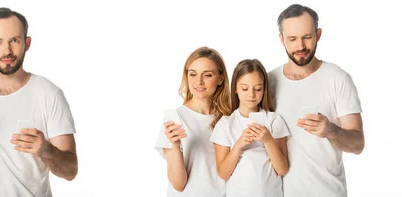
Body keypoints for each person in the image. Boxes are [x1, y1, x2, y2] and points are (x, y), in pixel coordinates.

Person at [0, 7, 78, 197]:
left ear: (27, 43)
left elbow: (71, 170)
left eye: (14, 40)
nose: (7, 50)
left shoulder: (49, 94)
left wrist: (46, 150)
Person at [268, 4, 365, 197]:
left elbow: (358, 145)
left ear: (318, 35)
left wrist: (332, 130)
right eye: (292, 39)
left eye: (307, 37)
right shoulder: (268, 82)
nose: (300, 46)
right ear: (281, 39)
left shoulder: (337, 79)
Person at [154, 46, 229, 197]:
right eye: (192, 74)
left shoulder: (228, 118)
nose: (198, 82)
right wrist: (174, 146)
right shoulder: (175, 119)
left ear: (220, 78)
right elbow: (178, 185)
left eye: (207, 75)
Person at [210, 59, 289, 197]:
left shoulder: (274, 120)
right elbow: (223, 173)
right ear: (235, 88)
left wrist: (268, 140)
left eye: (257, 89)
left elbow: (282, 169)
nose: (251, 95)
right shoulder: (226, 124)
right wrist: (239, 145)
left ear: (264, 89)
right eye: (245, 88)